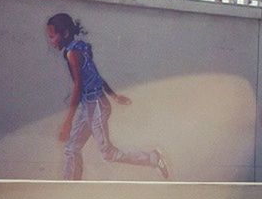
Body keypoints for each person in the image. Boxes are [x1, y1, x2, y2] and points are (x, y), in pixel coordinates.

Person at [46, 12, 170, 181]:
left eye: (52, 36)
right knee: (72, 148)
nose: (51, 41)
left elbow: (78, 86)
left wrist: (68, 120)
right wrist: (114, 96)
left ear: (65, 34)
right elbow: (95, 76)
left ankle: (153, 158)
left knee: (108, 153)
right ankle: (70, 186)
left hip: (95, 106)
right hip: (91, 104)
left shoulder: (73, 54)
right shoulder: (79, 48)